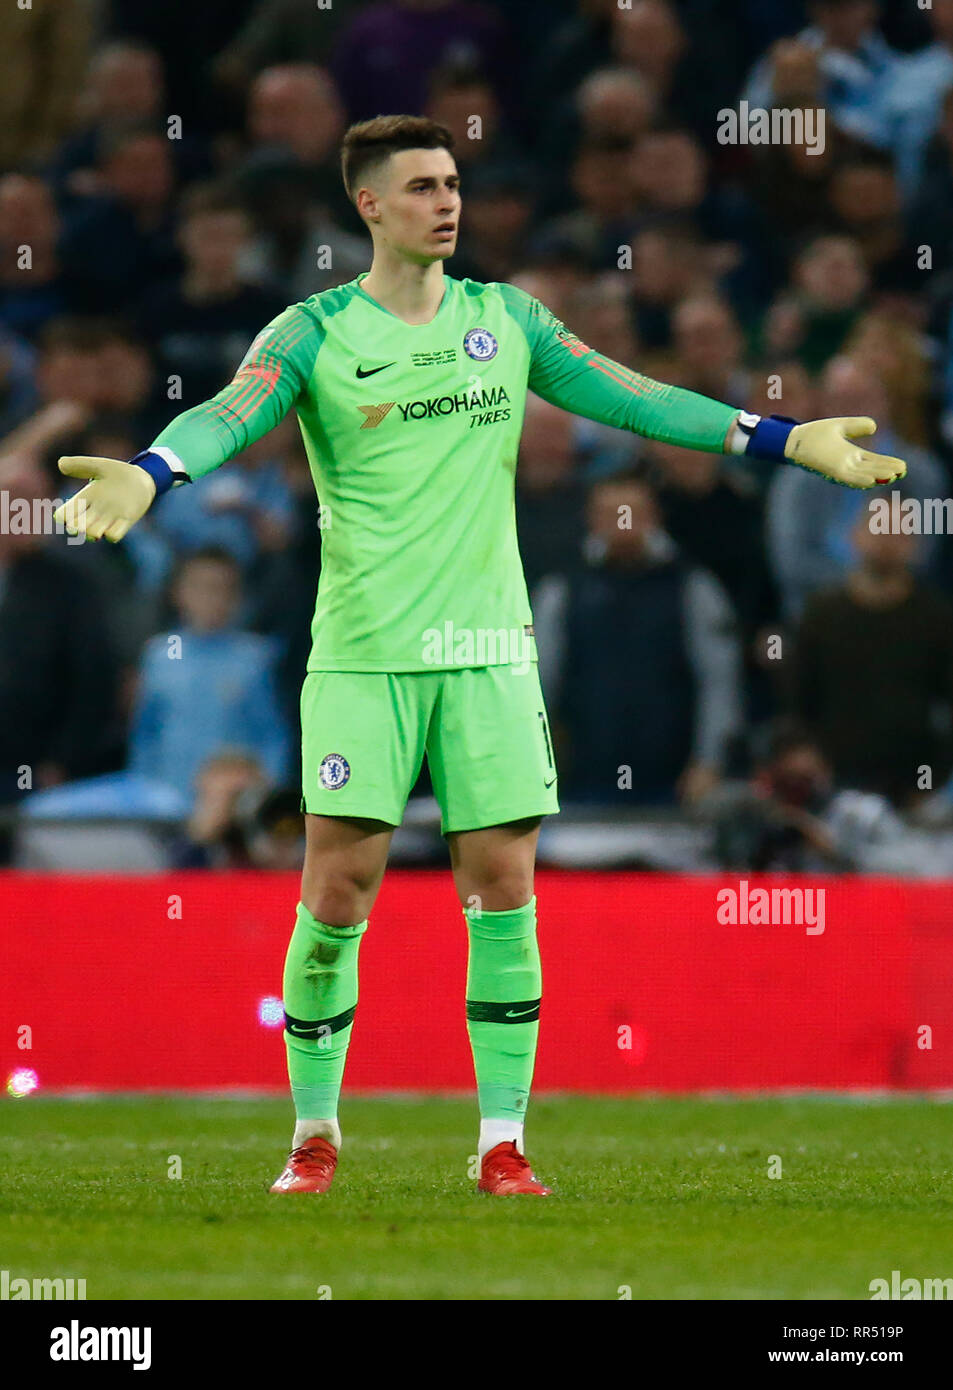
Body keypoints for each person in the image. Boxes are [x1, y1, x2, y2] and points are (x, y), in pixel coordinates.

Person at [53, 115, 907, 1199]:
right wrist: (152, 469)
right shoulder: (311, 331)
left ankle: (501, 1143)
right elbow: (229, 414)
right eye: (420, 186)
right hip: (364, 656)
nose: (446, 201)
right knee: (337, 893)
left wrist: (781, 436)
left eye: (451, 182)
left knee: (503, 892)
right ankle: (313, 1135)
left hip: (489, 656)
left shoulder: (505, 319)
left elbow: (634, 395)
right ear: (369, 204)